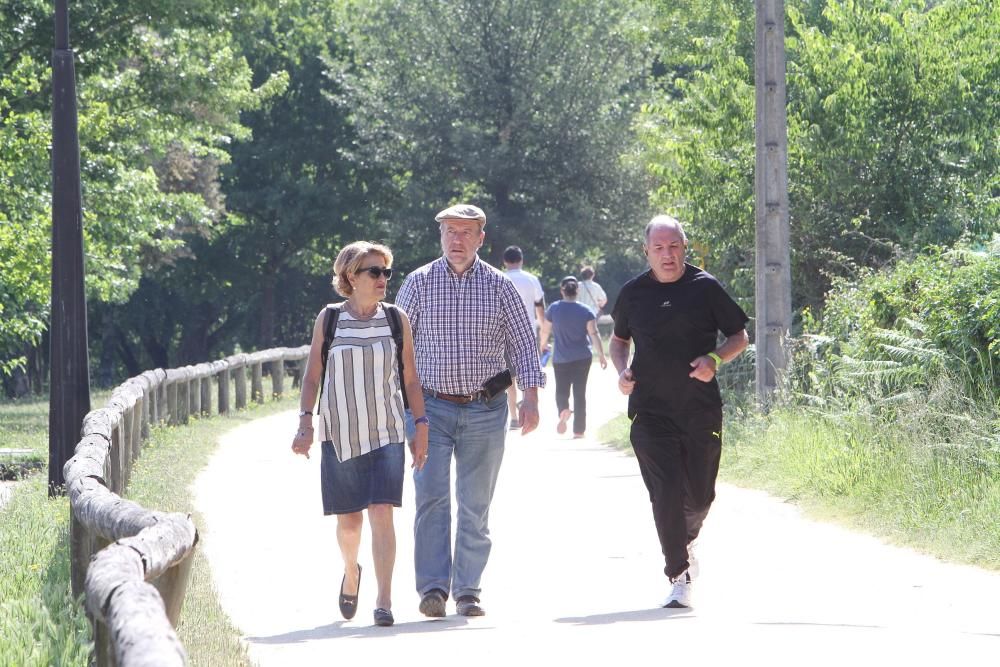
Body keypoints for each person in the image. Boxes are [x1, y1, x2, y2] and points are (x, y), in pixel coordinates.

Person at [395, 203, 544, 618]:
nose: (456, 240)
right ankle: (432, 588)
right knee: (431, 498)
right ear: (440, 236)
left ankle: (467, 590)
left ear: (481, 238)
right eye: (449, 232)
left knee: (476, 504)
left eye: (465, 232)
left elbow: (522, 343)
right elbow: (399, 349)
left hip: (486, 407)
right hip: (430, 409)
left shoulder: (500, 286)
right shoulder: (418, 283)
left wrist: (530, 398)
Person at [609, 215, 749, 609]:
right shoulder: (633, 293)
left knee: (700, 496)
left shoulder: (705, 288)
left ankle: (684, 541)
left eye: (674, 247)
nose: (667, 255)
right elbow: (619, 341)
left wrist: (714, 360)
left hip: (699, 409)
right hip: (650, 410)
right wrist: (622, 371)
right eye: (659, 248)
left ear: (684, 248)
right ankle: (679, 574)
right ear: (646, 252)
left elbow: (739, 336)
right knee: (665, 492)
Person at [292, 241, 430, 628]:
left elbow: (410, 378)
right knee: (350, 523)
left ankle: (384, 601)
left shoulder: (395, 318)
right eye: (375, 272)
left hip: (387, 432)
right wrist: (305, 422)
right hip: (341, 434)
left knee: (382, 512)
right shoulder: (330, 318)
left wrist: (421, 425)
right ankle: (351, 571)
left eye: (386, 272)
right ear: (351, 276)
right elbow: (313, 375)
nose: (383, 279)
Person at [538, 276, 607, 438]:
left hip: (561, 358)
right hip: (583, 357)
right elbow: (594, 334)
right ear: (577, 291)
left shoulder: (554, 309)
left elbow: (545, 331)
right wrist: (602, 355)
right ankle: (579, 430)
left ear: (562, 291)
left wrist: (543, 345)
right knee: (579, 393)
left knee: (561, 389)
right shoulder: (586, 310)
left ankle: (563, 409)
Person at [502, 245, 545, 430]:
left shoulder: (500, 278)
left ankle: (512, 416)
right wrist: (543, 331)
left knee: (509, 378)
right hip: (527, 331)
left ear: (505, 262)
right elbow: (539, 306)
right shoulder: (531, 279)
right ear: (521, 260)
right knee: (528, 371)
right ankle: (528, 405)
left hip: (503, 335)